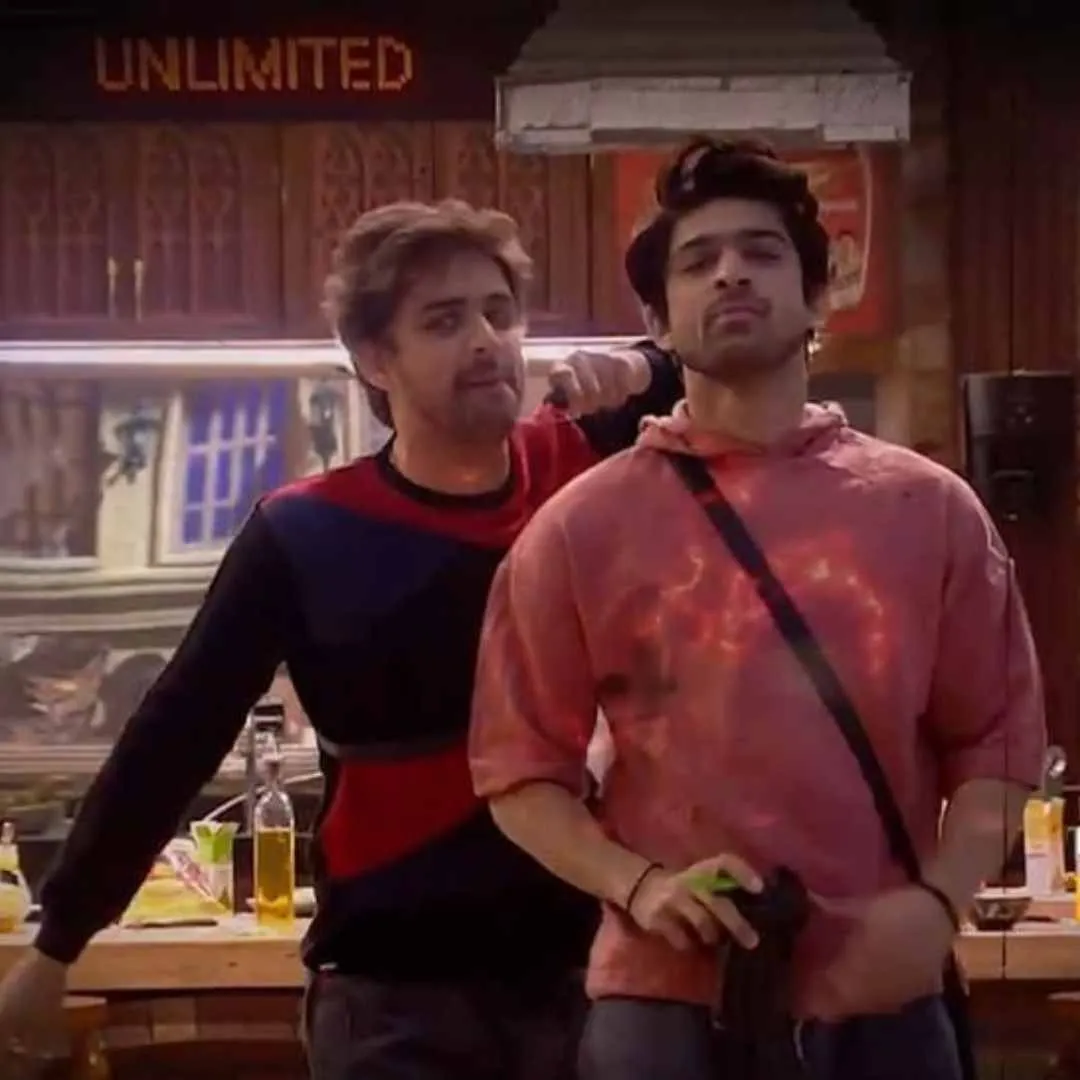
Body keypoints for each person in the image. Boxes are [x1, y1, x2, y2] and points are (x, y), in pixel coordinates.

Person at [0, 198, 684, 1080]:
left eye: (498, 313)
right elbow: (173, 738)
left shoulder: (581, 466)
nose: (486, 341)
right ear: (373, 359)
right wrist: (57, 944)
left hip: (589, 972)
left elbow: (739, 359)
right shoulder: (306, 531)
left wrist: (640, 363)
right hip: (393, 999)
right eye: (444, 321)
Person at [469, 140, 1046, 1080]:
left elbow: (999, 741)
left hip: (882, 979)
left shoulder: (928, 509)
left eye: (762, 252)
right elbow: (517, 769)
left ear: (817, 299)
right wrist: (638, 886)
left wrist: (939, 904)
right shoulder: (580, 528)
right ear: (658, 320)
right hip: (663, 989)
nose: (731, 272)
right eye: (698, 260)